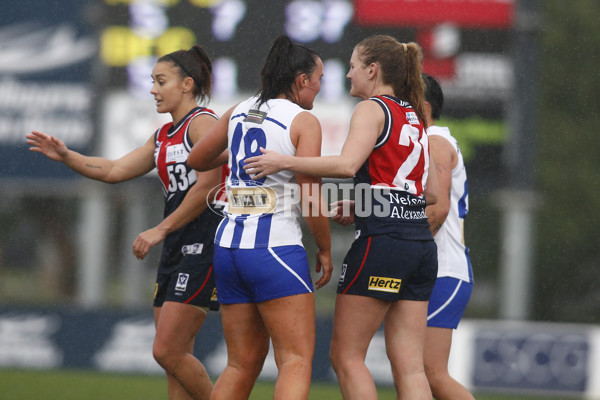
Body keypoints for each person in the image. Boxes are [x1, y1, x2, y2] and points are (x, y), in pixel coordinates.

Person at [27, 45, 227, 400]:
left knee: (167, 351)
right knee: (174, 359)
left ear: (187, 84)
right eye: (152, 81)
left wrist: (160, 229)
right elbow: (116, 170)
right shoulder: (164, 135)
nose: (152, 89)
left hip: (204, 245)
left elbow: (211, 187)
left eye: (160, 81)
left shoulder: (203, 124)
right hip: (177, 247)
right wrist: (67, 156)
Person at [244, 35, 438, 400]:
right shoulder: (414, 113)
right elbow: (431, 193)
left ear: (372, 70)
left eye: (351, 66)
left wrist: (283, 160)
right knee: (411, 367)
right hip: (421, 248)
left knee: (346, 357)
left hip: (384, 242)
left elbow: (348, 165)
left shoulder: (371, 108)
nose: (347, 75)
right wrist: (364, 202)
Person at [187, 35, 332, 400]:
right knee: (296, 360)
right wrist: (326, 249)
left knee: (241, 363)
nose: (320, 87)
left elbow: (196, 160)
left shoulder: (239, 109)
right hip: (274, 249)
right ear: (301, 80)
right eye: (319, 79)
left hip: (228, 248)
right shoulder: (303, 121)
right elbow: (310, 196)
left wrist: (236, 156)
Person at [421, 73, 475, 400]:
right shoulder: (422, 143)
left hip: (444, 271)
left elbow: (437, 211)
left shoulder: (435, 142)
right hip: (432, 270)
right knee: (413, 373)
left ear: (423, 107)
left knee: (431, 374)